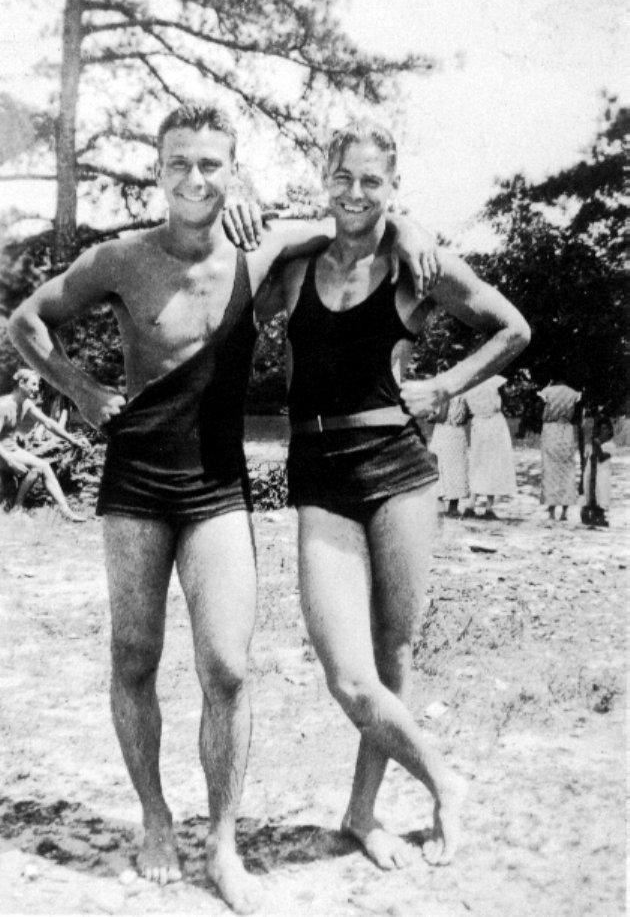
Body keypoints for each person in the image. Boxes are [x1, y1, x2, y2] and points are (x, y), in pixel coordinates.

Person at [8, 102, 440, 914]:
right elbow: (26, 320)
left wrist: (411, 227)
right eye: (179, 162)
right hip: (135, 484)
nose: (195, 178)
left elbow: (358, 215)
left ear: (232, 171)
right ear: (157, 169)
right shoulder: (118, 259)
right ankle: (154, 819)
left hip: (217, 486)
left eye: (212, 163)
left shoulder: (264, 242)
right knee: (133, 656)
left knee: (230, 669)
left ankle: (224, 842)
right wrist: (82, 389)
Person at [247, 120, 530, 869]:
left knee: (391, 651)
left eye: (373, 182)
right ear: (324, 178)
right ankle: (446, 781)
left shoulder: (420, 268)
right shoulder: (297, 264)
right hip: (318, 471)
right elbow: (240, 280)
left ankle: (363, 811)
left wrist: (445, 384)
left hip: (399, 469)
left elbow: (512, 330)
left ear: (392, 185)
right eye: (343, 177)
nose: (356, 193)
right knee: (348, 676)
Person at [0, 368, 87, 520]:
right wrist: (10, 460)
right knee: (40, 466)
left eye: (38, 384)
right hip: (3, 452)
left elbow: (48, 423)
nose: (37, 389)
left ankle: (66, 512)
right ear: (21, 383)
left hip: (11, 449)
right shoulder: (4, 406)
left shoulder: (26, 404)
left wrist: (72, 440)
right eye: (33, 384)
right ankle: (17, 509)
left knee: (43, 466)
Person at [463, 374, 517, 518]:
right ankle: (489, 506)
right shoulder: (494, 381)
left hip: (479, 424)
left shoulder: (470, 384)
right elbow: (503, 403)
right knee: (493, 462)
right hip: (494, 424)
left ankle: (471, 502)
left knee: (478, 462)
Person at [537, 378, 582, 521]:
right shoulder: (574, 393)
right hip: (567, 430)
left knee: (550, 470)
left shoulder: (547, 392)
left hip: (550, 430)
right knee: (567, 471)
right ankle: (564, 511)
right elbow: (576, 417)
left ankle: (551, 510)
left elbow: (541, 413)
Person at [429, 394, 472, 517]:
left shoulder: (445, 394)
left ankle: (440, 506)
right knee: (457, 470)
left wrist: (431, 418)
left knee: (441, 466)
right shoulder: (464, 394)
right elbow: (465, 417)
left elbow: (442, 417)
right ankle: (453, 507)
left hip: (444, 432)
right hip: (458, 433)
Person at [580, 413, 615, 527]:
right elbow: (587, 460)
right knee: (588, 496)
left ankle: (599, 516)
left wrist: (597, 445)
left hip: (602, 476)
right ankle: (588, 514)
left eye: (606, 429)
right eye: (602, 429)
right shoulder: (591, 445)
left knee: (601, 495)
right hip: (590, 474)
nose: (604, 431)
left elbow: (601, 457)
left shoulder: (610, 445)